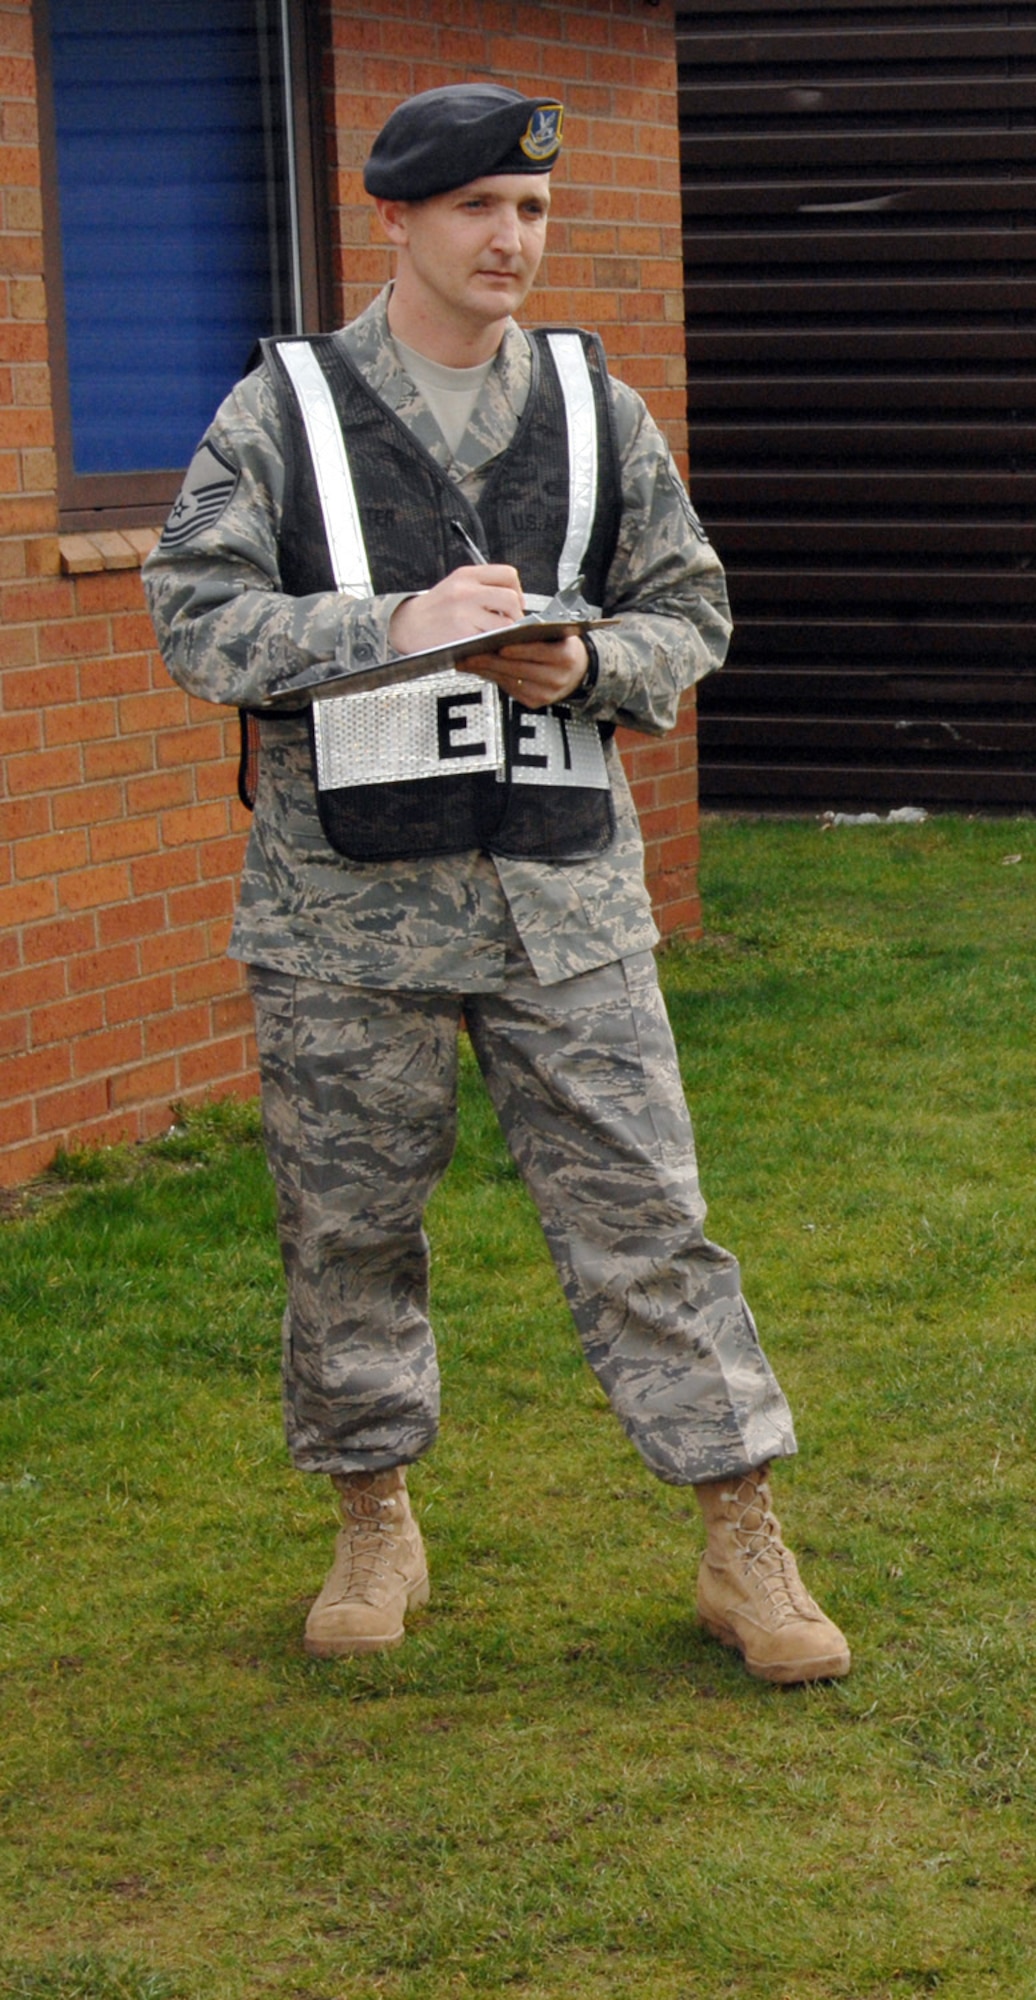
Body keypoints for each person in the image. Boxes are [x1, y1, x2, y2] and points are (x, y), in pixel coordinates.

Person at [143, 83, 850, 1685]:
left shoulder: (600, 407)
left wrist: (594, 659)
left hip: (566, 903)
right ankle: (373, 1515)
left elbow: (695, 610)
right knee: (347, 1228)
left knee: (651, 1224)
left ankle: (745, 1539)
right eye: (476, 209)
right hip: (345, 916)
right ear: (394, 219)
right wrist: (384, 629)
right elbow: (193, 614)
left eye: (530, 211)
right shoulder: (292, 410)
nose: (510, 239)